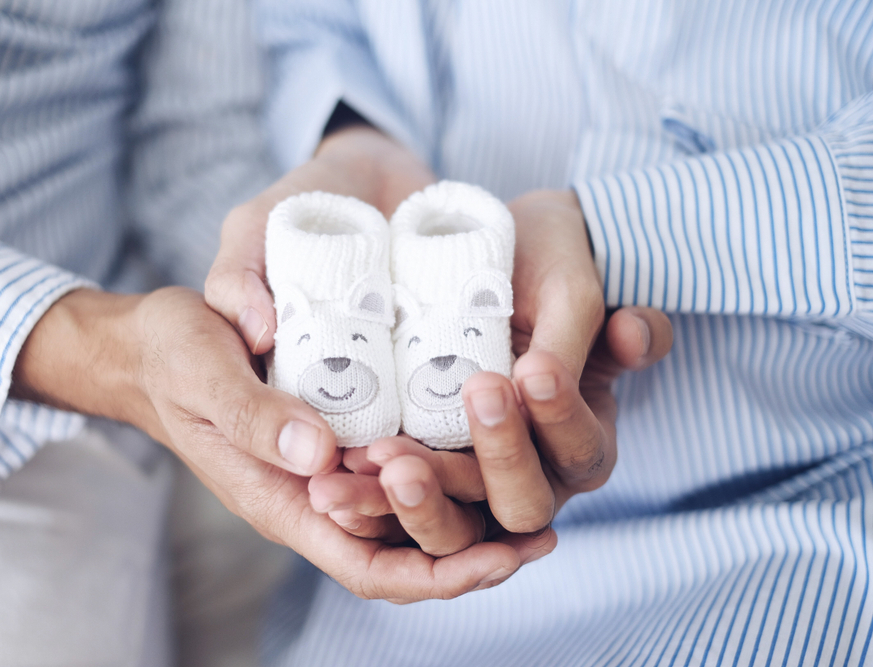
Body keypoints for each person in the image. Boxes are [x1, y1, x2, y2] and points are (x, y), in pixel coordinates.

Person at [0, 0, 669, 663]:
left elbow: (198, 133)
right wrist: (93, 349)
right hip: (53, 355)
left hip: (43, 422)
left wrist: (274, 267)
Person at [202, 1, 873, 665]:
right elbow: (311, 26)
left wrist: (615, 233)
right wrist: (354, 136)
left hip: (811, 512)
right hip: (391, 610)